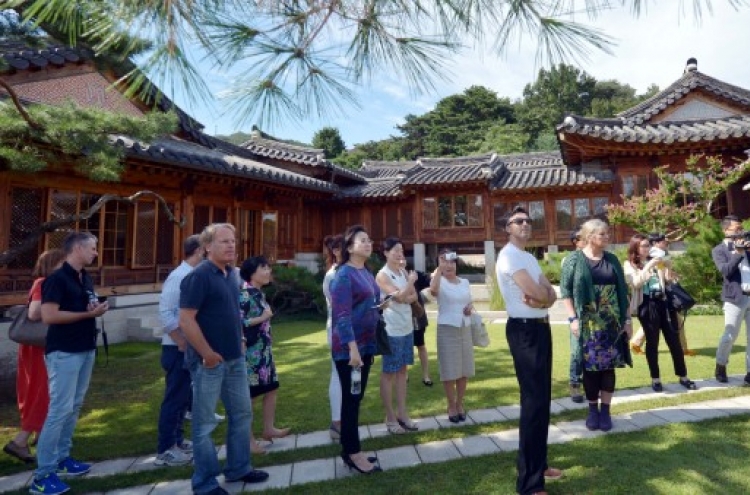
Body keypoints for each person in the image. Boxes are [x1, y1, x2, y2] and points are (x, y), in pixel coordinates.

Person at [179, 223, 268, 495]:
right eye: (224, 241)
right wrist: (206, 353)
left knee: (242, 414)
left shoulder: (232, 275)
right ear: (207, 247)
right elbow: (186, 319)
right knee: (204, 424)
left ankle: (238, 467)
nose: (231, 245)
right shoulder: (199, 276)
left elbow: (232, 313)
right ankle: (205, 483)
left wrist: (240, 338)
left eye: (233, 241)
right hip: (209, 363)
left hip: (234, 359)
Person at [31, 233, 109, 495]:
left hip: (85, 348)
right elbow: (48, 315)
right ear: (77, 248)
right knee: (59, 410)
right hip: (64, 352)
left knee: (73, 407)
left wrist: (95, 307)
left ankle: (63, 459)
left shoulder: (84, 277)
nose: (96, 253)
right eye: (92, 248)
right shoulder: (56, 279)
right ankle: (42, 475)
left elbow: (83, 306)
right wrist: (88, 313)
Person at [496, 206, 562, 495]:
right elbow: (538, 293)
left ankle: (539, 462)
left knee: (542, 399)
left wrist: (544, 299)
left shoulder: (528, 257)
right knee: (533, 402)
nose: (524, 224)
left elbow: (551, 293)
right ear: (507, 228)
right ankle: (530, 483)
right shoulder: (509, 256)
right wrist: (543, 297)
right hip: (524, 330)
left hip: (540, 327)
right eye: (517, 220)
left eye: (527, 220)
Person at [561, 218, 632, 433]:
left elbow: (623, 293)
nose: (607, 237)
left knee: (608, 367)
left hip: (612, 321)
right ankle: (593, 410)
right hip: (588, 322)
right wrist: (573, 319)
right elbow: (566, 293)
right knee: (590, 368)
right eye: (603, 234)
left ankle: (606, 410)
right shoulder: (574, 260)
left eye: (607, 234)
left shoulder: (612, 259)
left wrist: (627, 320)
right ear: (590, 236)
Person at [4, 250, 65, 465]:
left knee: (44, 391)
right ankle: (21, 440)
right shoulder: (43, 283)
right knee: (41, 391)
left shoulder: (46, 282)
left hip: (41, 345)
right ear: (52, 264)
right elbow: (34, 313)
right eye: (62, 263)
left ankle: (41, 439)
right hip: (39, 345)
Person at [330, 225, 382, 474]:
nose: (368, 243)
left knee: (356, 398)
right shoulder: (344, 275)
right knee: (351, 401)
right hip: (350, 350)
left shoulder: (367, 273)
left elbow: (372, 303)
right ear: (349, 247)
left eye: (369, 240)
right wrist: (352, 349)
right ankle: (353, 452)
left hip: (367, 345)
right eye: (363, 240)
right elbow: (341, 315)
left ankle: (349, 449)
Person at [154, 235, 203, 466]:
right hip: (176, 348)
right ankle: (166, 448)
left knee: (184, 398)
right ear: (199, 250)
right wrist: (181, 341)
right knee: (174, 397)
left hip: (188, 347)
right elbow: (166, 313)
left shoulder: (192, 275)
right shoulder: (179, 277)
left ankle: (178, 440)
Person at [630, 233, 697, 392]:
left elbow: (667, 279)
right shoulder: (630, 264)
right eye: (644, 246)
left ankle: (683, 376)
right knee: (652, 342)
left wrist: (667, 266)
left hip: (664, 302)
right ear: (636, 248)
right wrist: (647, 266)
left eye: (648, 245)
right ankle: (656, 379)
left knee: (674, 340)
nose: (648, 249)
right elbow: (635, 283)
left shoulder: (657, 261)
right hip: (647, 304)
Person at [239, 256, 290, 454]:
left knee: (271, 388)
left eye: (269, 268)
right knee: (250, 397)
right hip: (250, 354)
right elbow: (237, 322)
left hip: (264, 351)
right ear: (252, 272)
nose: (268, 271)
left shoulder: (258, 293)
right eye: (264, 268)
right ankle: (248, 440)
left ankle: (269, 429)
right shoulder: (244, 294)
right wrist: (262, 318)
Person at [376, 237, 419, 434]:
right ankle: (390, 416)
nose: (399, 253)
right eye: (395, 250)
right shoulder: (382, 275)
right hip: (391, 330)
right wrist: (409, 285)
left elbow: (412, 297)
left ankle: (403, 414)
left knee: (403, 371)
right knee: (389, 373)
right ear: (385, 253)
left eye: (401, 249)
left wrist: (405, 292)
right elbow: (401, 297)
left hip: (406, 327)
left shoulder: (402, 272)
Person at [430, 248, 474, 424]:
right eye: (444, 261)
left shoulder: (464, 282)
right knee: (449, 370)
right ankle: (451, 405)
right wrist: (438, 271)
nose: (449, 265)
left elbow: (469, 301)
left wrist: (470, 308)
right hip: (447, 328)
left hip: (464, 327)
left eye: (452, 262)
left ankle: (460, 403)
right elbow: (433, 291)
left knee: (464, 370)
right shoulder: (438, 281)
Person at [712, 215, 750, 384]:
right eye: (737, 229)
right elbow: (726, 271)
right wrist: (738, 254)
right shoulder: (719, 250)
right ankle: (721, 364)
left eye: (741, 228)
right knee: (729, 336)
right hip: (735, 298)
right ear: (726, 230)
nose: (740, 231)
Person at [322, 234, 344, 440]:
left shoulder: (351, 271)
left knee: (349, 376)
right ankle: (336, 422)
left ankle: (344, 419)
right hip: (338, 329)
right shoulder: (333, 275)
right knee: (338, 373)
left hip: (351, 330)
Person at [562, 229, 586, 403]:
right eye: (581, 237)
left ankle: (592, 383)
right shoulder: (569, 260)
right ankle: (575, 383)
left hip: (595, 312)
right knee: (577, 349)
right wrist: (572, 317)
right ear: (575, 241)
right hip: (577, 311)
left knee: (594, 348)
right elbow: (566, 289)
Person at [412, 270, 433, 386]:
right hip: (401, 320)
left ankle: (426, 375)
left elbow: (430, 280)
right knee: (405, 348)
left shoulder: (414, 274)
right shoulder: (389, 276)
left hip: (417, 318)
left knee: (421, 345)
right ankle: (404, 375)